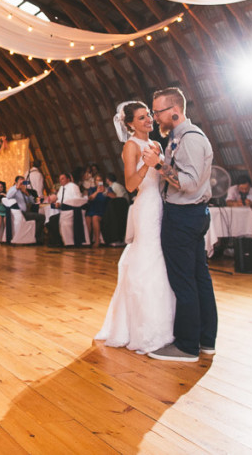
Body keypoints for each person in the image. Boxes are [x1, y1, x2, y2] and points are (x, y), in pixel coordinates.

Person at [142, 87, 216, 363]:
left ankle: (186, 346)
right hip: (189, 215)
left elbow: (189, 183)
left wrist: (159, 165)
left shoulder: (191, 139)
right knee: (199, 279)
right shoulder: (178, 137)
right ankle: (205, 340)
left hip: (184, 217)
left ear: (175, 111)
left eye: (158, 112)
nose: (155, 117)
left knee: (184, 281)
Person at [96, 101, 175, 353]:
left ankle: (167, 321)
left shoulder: (157, 144)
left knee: (162, 259)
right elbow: (130, 185)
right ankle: (143, 326)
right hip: (146, 205)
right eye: (141, 118)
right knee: (148, 256)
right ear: (129, 124)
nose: (148, 120)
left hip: (162, 204)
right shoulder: (131, 146)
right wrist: (147, 164)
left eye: (148, 115)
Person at [84, 173, 114, 248]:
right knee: (87, 218)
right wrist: (97, 192)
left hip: (102, 210)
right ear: (95, 182)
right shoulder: (92, 189)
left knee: (95, 218)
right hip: (92, 209)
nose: (98, 182)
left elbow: (115, 196)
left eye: (100, 180)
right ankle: (88, 241)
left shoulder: (107, 189)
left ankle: (97, 240)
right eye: (97, 180)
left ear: (103, 181)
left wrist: (105, 192)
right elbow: (90, 198)